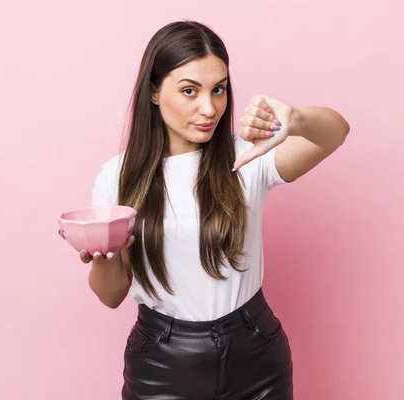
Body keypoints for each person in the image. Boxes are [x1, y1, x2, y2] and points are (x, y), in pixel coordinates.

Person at [59, 20, 349, 400]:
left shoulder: (247, 156)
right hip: (163, 363)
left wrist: (294, 120)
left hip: (256, 353)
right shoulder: (117, 178)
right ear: (153, 92)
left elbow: (336, 131)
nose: (208, 107)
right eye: (189, 91)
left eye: (219, 89)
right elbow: (111, 294)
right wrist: (102, 257)